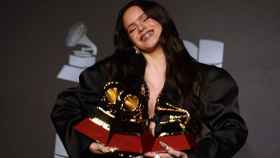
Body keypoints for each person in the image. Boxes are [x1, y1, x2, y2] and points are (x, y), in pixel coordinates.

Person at [51, 0, 248, 158]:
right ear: (129, 39)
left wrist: (193, 155)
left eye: (145, 19)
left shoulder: (206, 78)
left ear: (161, 20)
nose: (141, 28)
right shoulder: (111, 72)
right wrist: (89, 143)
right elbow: (65, 107)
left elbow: (232, 130)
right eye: (132, 28)